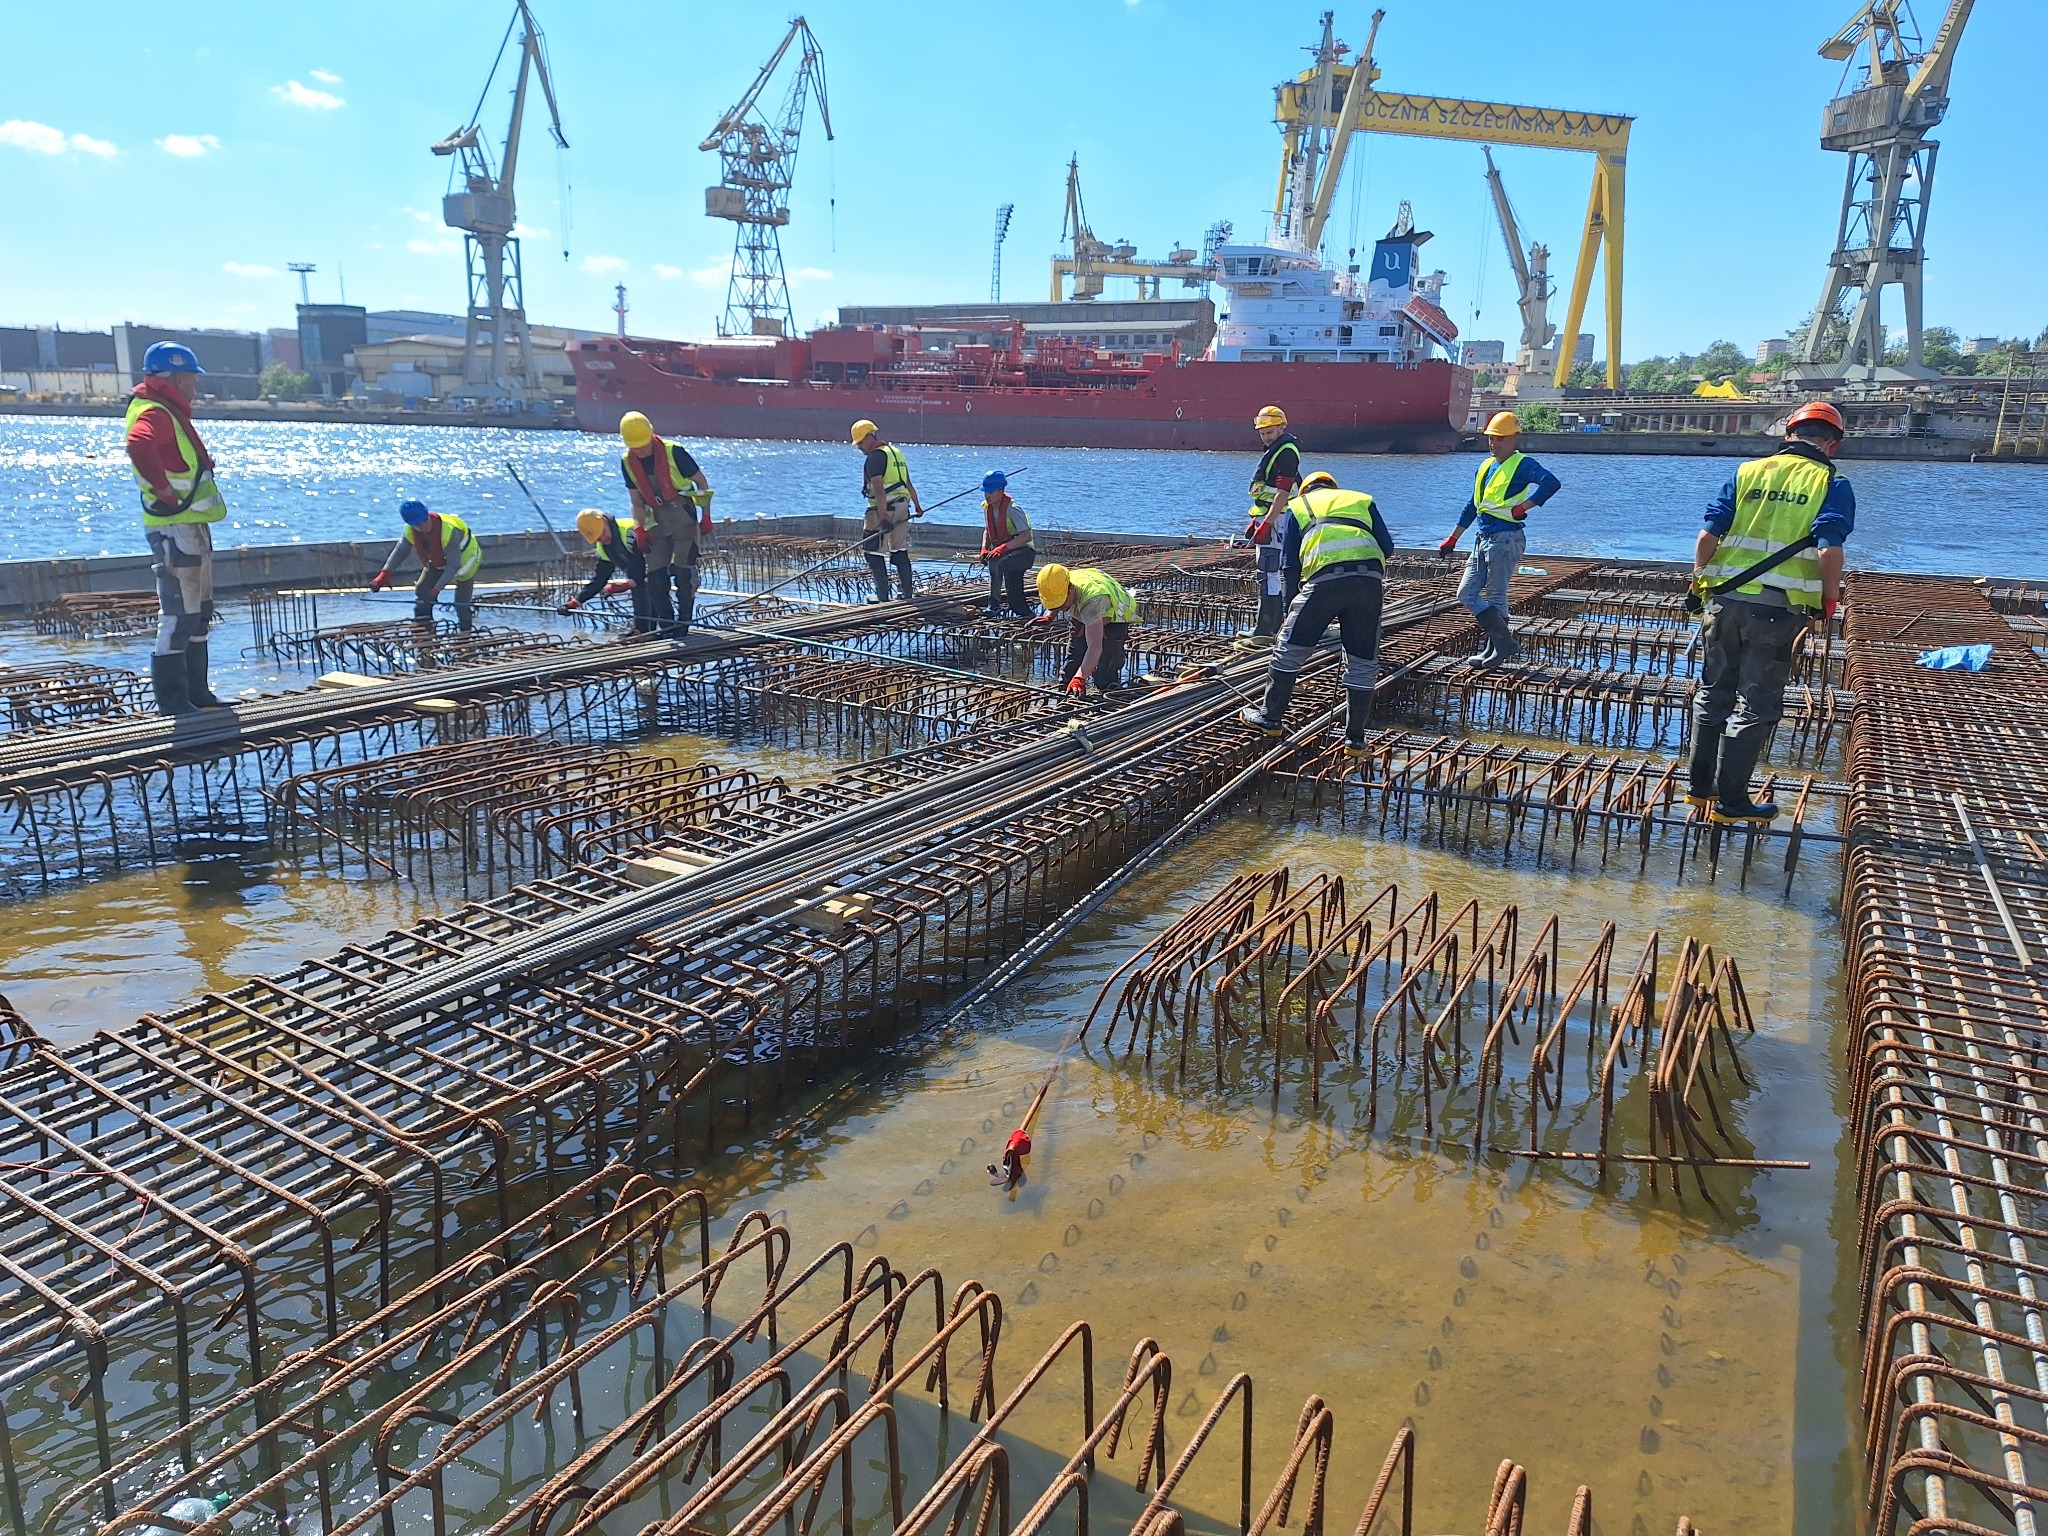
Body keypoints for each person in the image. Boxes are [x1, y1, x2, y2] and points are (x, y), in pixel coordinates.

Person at [1686, 400, 1855, 824]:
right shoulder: (1832, 483)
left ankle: (1698, 789)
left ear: (1788, 436)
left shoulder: (1747, 473)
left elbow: (1707, 536)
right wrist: (1829, 601)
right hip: (1777, 613)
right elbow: (1829, 548)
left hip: (1723, 604)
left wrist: (1696, 583)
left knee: (1713, 692)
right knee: (1756, 705)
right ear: (1831, 445)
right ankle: (1732, 803)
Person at [1238, 471, 1395, 753]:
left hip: (1325, 581)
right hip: (1369, 584)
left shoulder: (1298, 507)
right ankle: (1355, 740)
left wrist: (1290, 610)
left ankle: (1271, 718)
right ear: (1334, 488)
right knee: (1362, 662)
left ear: (1305, 491)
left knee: (1289, 649)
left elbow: (1289, 566)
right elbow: (1388, 547)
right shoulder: (1361, 500)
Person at [124, 341, 228, 714]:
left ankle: (196, 692)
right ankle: (172, 701)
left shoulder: (165, 410)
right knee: (179, 613)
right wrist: (165, 491)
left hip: (190, 525)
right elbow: (139, 446)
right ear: (178, 378)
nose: (196, 388)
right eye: (193, 380)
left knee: (199, 610)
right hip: (174, 528)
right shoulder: (155, 412)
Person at [1437, 410, 1562, 665]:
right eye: (1492, 438)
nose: (1494, 443)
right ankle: (1501, 644)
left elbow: (1551, 483)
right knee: (1466, 593)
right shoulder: (1484, 466)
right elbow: (1473, 505)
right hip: (1482, 538)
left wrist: (1525, 506)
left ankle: (1496, 649)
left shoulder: (1523, 464)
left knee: (1496, 596)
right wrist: (1453, 538)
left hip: (1506, 538)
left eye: (1500, 439)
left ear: (1515, 439)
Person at [619, 410, 711, 637]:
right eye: (635, 447)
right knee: (656, 577)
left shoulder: (674, 452)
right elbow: (636, 500)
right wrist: (639, 528)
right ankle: (667, 626)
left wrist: (706, 515)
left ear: (651, 435)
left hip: (682, 516)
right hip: (655, 519)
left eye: (643, 445)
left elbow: (701, 483)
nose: (640, 451)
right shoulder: (627, 462)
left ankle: (684, 624)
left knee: (683, 572)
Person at [1236, 404, 1303, 648]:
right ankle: (1270, 627)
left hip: (1279, 519)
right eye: (1263, 432)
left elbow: (1283, 492)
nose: (1266, 436)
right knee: (1269, 573)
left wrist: (1268, 522)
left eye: (1270, 432)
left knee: (1270, 573)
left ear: (1282, 427)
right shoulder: (1277, 449)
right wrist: (1259, 520)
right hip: (1271, 518)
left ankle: (1266, 629)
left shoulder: (1286, 452)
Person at [371, 500, 481, 631]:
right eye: (417, 524)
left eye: (424, 520)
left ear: (427, 514)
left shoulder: (450, 532)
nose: (422, 526)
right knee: (422, 592)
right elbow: (401, 550)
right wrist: (385, 573)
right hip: (438, 560)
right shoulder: (409, 530)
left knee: (461, 604)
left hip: (465, 560)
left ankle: (465, 632)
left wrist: (436, 590)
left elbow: (453, 565)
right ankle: (425, 628)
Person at [1037, 563, 1138, 696]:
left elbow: (1095, 646)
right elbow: (1055, 598)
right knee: (1072, 664)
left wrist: (1080, 678)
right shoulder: (1058, 581)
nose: (1060, 608)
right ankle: (1065, 698)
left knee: (1105, 671)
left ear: (1071, 590)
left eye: (1061, 603)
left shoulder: (1092, 600)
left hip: (1115, 615)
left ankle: (1109, 701)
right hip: (1085, 604)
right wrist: (1050, 616)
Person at [853, 419, 923, 601]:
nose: (859, 447)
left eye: (860, 442)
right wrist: (917, 505)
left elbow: (879, 491)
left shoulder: (875, 458)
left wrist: (883, 518)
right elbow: (907, 482)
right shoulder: (896, 453)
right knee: (899, 550)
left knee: (873, 552)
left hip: (884, 510)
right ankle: (907, 594)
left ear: (870, 437)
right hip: (902, 507)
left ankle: (882, 597)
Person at [559, 508, 646, 625]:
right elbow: (599, 579)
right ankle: (642, 629)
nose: (603, 539)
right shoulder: (604, 547)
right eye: (598, 538)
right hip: (642, 577)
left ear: (605, 521)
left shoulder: (630, 532)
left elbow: (647, 563)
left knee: (654, 588)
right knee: (640, 592)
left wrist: (629, 583)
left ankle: (670, 631)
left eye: (603, 533)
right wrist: (577, 601)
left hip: (668, 563)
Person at [978, 471, 1036, 618]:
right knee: (1015, 599)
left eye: (991, 492)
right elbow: (987, 530)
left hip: (1023, 553)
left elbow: (1026, 536)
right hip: (1008, 553)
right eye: (986, 492)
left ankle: (993, 605)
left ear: (1001, 491)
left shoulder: (1013, 509)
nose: (987, 496)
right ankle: (1026, 615)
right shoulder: (987, 507)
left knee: (995, 561)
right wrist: (985, 548)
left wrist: (1003, 548)